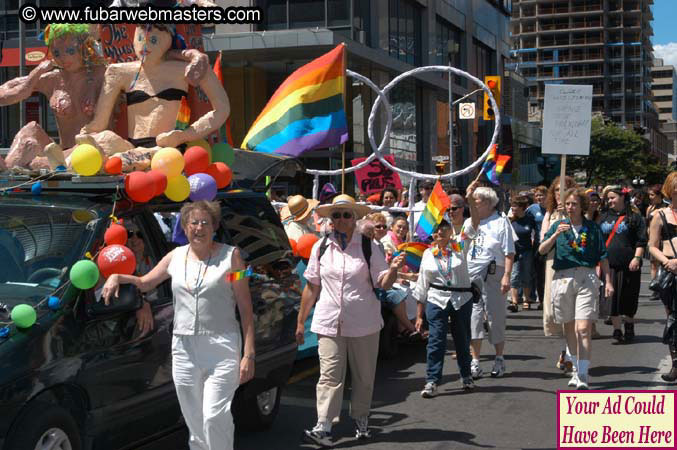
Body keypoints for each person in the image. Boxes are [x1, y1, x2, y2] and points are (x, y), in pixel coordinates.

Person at [102, 201, 255, 450]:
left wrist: (248, 354)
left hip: (222, 346)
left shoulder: (233, 257)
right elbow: (145, 282)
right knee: (195, 423)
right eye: (193, 222)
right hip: (184, 348)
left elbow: (246, 309)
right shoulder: (175, 256)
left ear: (214, 226)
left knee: (214, 417)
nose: (199, 227)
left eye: (205, 222)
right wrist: (117, 276)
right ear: (184, 227)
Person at [0, 23, 207, 170]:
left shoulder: (106, 73)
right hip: (62, 153)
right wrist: (35, 74)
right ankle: (15, 168)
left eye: (70, 50)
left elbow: (154, 55)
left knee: (99, 141)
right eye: (56, 52)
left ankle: (33, 165)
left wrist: (193, 56)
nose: (63, 58)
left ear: (85, 47)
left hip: (94, 152)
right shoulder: (52, 78)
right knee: (30, 131)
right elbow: (9, 94)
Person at [295, 194, 405, 446]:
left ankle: (361, 417)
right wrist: (301, 322)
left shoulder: (368, 246)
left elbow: (383, 283)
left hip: (364, 322)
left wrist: (393, 270)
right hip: (329, 321)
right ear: (331, 219)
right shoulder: (320, 246)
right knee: (329, 376)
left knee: (363, 376)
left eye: (346, 214)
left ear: (354, 218)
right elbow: (311, 286)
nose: (342, 219)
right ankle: (323, 425)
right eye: (337, 215)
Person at [79, 23, 229, 171]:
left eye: (153, 41)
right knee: (104, 139)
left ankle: (109, 163)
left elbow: (222, 109)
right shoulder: (118, 72)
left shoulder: (184, 69)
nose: (144, 47)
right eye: (140, 38)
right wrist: (87, 133)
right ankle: (67, 163)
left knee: (122, 160)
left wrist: (184, 136)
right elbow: (99, 123)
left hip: (168, 150)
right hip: (133, 147)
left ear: (168, 40)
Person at [539, 188, 613, 389]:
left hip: (586, 277)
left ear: (582, 207)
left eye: (575, 204)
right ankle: (574, 369)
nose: (571, 208)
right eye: (568, 204)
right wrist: (555, 235)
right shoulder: (558, 225)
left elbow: (603, 255)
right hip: (563, 279)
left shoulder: (592, 228)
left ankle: (583, 373)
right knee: (569, 327)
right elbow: (542, 249)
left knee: (583, 328)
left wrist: (608, 281)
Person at [415, 183, 480, 397]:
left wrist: (469, 198)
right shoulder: (428, 254)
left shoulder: (460, 246)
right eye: (436, 232)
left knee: (462, 339)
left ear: (450, 232)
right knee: (436, 340)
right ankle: (432, 381)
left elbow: (474, 223)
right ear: (432, 235)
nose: (439, 234)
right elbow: (422, 284)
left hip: (461, 298)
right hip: (436, 298)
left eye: (444, 231)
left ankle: (466, 376)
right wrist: (418, 314)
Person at [466, 186, 515, 379]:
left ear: (487, 202)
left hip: (494, 274)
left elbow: (509, 252)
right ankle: (475, 361)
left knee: (496, 317)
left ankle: (499, 358)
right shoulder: (471, 222)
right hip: (473, 275)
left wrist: (507, 276)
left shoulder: (501, 222)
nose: (473, 204)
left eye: (476, 201)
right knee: (474, 318)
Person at [599, 187, 647, 344]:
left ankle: (629, 325)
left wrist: (636, 258)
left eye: (613, 197)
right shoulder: (603, 217)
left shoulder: (634, 218)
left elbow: (641, 241)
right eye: (608, 198)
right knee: (611, 299)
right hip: (609, 264)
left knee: (629, 297)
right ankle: (617, 329)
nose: (610, 201)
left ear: (622, 197)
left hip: (629, 265)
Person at [541, 176, 577, 373]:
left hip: (573, 266)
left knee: (571, 308)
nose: (560, 195)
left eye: (564, 190)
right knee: (557, 308)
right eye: (556, 191)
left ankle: (571, 353)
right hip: (553, 265)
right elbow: (543, 245)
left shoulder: (578, 214)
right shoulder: (549, 215)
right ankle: (566, 349)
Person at [647, 172, 677, 382]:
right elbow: (652, 246)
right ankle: (676, 364)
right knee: (673, 318)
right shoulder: (660, 215)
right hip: (670, 272)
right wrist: (667, 262)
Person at [509, 195, 536, 312]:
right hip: (514, 251)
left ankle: (526, 299)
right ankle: (514, 301)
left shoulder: (529, 219)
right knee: (514, 276)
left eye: (515, 206)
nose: (512, 208)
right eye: (512, 205)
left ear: (522, 208)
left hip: (527, 251)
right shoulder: (510, 220)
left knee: (526, 275)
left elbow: (535, 233)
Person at [527, 186, 547, 306]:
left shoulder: (553, 207)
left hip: (551, 244)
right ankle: (542, 300)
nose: (539, 197)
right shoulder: (532, 209)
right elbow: (524, 220)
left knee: (548, 273)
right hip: (538, 244)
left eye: (542, 195)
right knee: (539, 273)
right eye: (537, 195)